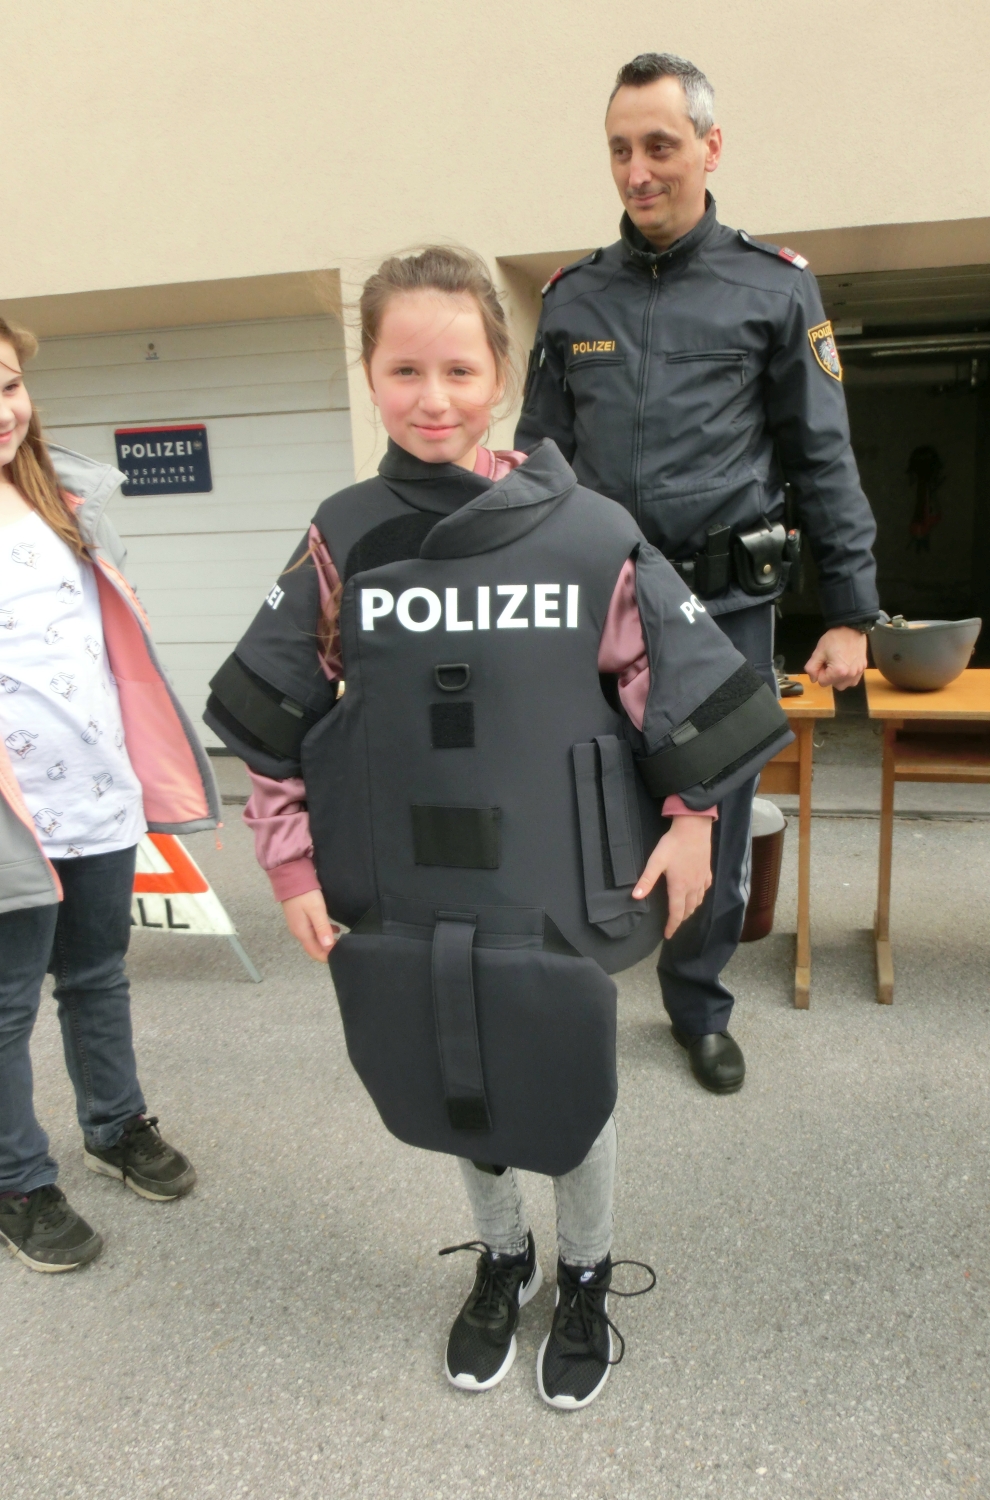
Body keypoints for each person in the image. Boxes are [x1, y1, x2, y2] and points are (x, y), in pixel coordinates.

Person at [203, 247, 791, 1408]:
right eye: (405, 369)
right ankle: (504, 1258)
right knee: (456, 1078)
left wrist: (691, 823)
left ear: (503, 374)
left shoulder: (591, 533)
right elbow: (273, 721)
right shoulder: (343, 536)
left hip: (556, 873)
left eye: (460, 370)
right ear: (370, 373)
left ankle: (586, 1272)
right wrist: (290, 865)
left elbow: (676, 684)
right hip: (411, 877)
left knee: (565, 1080)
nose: (434, 398)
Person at [515, 53, 882, 1094]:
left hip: (723, 612)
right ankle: (580, 983)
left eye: (660, 146)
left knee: (711, 816)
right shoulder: (573, 299)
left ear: (710, 148)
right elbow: (536, 462)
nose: (637, 171)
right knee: (581, 795)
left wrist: (850, 611)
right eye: (619, 150)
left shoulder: (774, 286)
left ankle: (696, 1004)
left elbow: (822, 457)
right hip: (601, 606)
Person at [0, 319, 220, 1274]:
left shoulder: (66, 501)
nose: (3, 409)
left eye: (9, 384)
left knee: (95, 976)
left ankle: (114, 1125)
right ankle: (17, 1180)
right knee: (5, 1006)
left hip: (96, 793)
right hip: (10, 818)